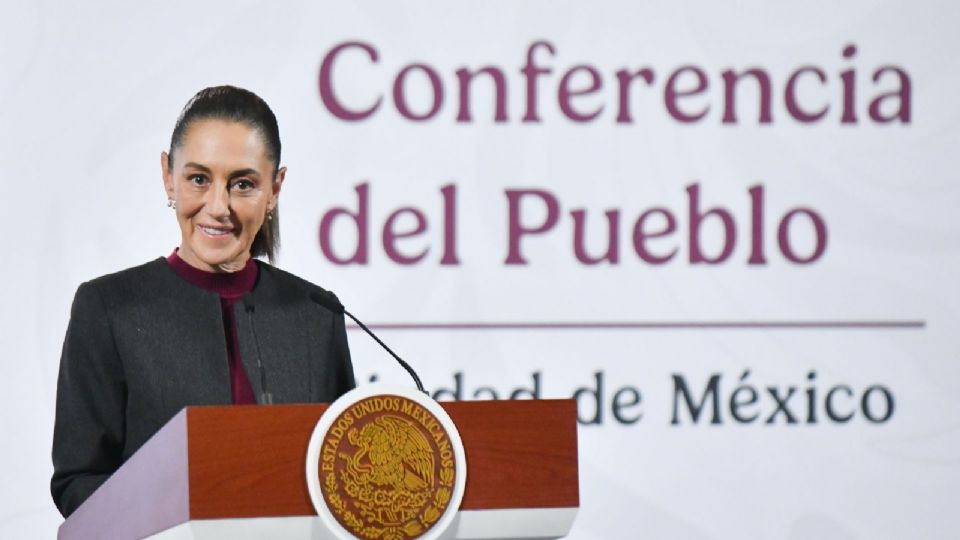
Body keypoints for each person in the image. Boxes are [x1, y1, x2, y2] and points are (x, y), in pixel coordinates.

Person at [50, 86, 356, 518]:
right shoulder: (108, 309)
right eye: (199, 179)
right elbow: (78, 483)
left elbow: (345, 475)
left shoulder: (316, 314)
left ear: (275, 189)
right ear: (167, 176)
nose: (218, 207)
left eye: (243, 184)